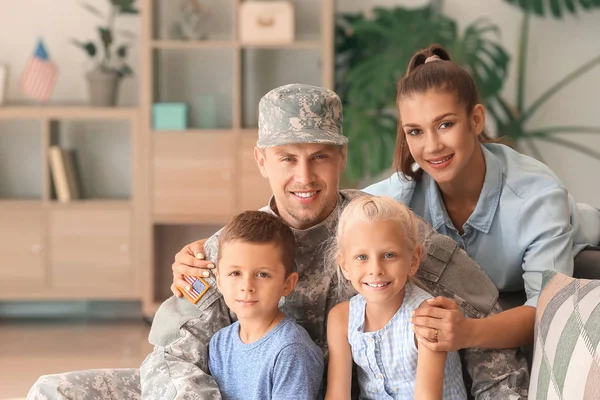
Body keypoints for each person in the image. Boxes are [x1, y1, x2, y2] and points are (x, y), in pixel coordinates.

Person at [27, 84, 528, 400]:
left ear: (341, 158)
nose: (304, 176)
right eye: (287, 158)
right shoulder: (229, 248)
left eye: (319, 157)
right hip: (225, 391)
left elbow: (485, 339)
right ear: (262, 161)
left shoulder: (387, 232)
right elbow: (171, 354)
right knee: (51, 391)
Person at [362, 44, 600, 353]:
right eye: (415, 132)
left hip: (584, 248)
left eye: (445, 124)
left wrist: (467, 333)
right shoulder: (400, 196)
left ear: (476, 120)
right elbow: (341, 210)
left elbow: (549, 313)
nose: (431, 146)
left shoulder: (537, 197)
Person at [325, 195, 467, 400]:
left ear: (414, 259)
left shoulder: (428, 317)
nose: (375, 269)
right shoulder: (341, 318)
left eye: (389, 255)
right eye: (362, 257)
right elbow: (337, 395)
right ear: (345, 265)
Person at [208, 210, 323, 400]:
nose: (247, 287)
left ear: (288, 284)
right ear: (219, 281)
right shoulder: (220, 343)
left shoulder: (291, 350)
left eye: (262, 274)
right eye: (235, 273)